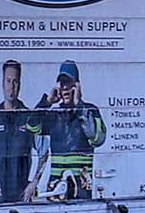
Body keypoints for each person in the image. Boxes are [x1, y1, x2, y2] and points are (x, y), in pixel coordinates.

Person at [41, 63, 107, 201]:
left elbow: (97, 138)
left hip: (82, 190)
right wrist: (47, 102)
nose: (64, 87)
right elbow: (30, 127)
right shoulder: (54, 114)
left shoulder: (90, 110)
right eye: (62, 83)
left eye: (69, 83)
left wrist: (79, 106)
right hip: (56, 191)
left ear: (77, 86)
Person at [0, 60, 44, 205]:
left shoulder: (29, 117)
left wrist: (34, 182)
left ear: (20, 84)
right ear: (2, 83)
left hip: (23, 198)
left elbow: (45, 151)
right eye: (8, 81)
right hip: (0, 199)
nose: (12, 86)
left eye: (15, 82)